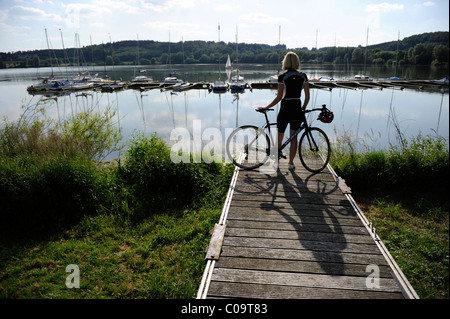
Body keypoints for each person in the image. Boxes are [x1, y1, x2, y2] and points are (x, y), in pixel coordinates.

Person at [258, 51, 310, 170]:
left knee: (280, 137)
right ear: (297, 62)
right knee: (293, 138)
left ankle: (276, 162)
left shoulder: (282, 77)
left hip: (285, 108)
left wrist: (266, 107)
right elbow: (307, 97)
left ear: (285, 62)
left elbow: (279, 97)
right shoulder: (303, 76)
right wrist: (304, 107)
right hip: (297, 107)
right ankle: (291, 163)